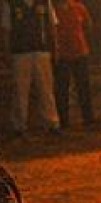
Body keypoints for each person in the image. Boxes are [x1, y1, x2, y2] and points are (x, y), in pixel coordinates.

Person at [2, 0, 61, 136]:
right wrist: (6, 51)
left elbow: (52, 26)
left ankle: (51, 123)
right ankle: (19, 126)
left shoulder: (45, 2)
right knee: (20, 90)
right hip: (20, 51)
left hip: (41, 49)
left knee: (46, 88)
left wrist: (55, 47)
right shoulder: (11, 4)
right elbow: (6, 30)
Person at [52, 0, 95, 130]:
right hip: (62, 54)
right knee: (62, 88)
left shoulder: (79, 7)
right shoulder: (53, 10)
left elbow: (88, 25)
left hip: (80, 51)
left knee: (83, 86)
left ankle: (88, 118)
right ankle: (63, 120)